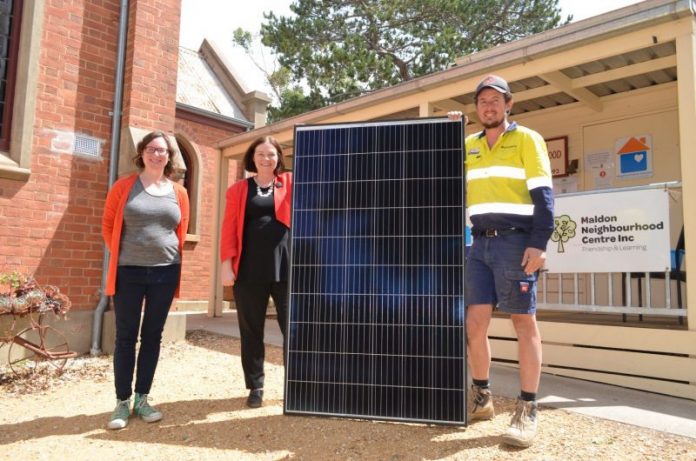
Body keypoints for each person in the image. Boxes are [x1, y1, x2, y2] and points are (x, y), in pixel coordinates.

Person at [450, 75, 554, 447]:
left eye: (495, 100)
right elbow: (438, 171)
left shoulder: (527, 139)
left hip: (516, 243)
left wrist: (539, 244)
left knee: (524, 323)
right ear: (476, 109)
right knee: (475, 324)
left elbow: (544, 197)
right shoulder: (468, 145)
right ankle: (482, 398)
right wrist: (444, 132)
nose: (489, 107)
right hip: (478, 246)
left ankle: (527, 408)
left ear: (509, 104)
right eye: (482, 101)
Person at [102, 131, 190, 429]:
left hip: (166, 272)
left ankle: (143, 397)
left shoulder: (179, 192)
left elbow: (181, 228)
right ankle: (122, 402)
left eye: (163, 151)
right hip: (129, 271)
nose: (157, 155)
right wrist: (127, 253)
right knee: (126, 337)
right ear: (142, 153)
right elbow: (107, 224)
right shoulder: (124, 186)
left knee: (153, 336)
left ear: (169, 157)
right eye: (152, 149)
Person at [220, 135, 292, 408]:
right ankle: (256, 386)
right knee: (251, 330)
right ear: (253, 157)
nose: (266, 159)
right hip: (248, 268)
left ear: (278, 159)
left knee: (293, 329)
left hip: (286, 267)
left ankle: (295, 384)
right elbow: (228, 228)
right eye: (261, 154)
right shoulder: (239, 189)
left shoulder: (291, 183)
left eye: (271, 154)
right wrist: (227, 264)